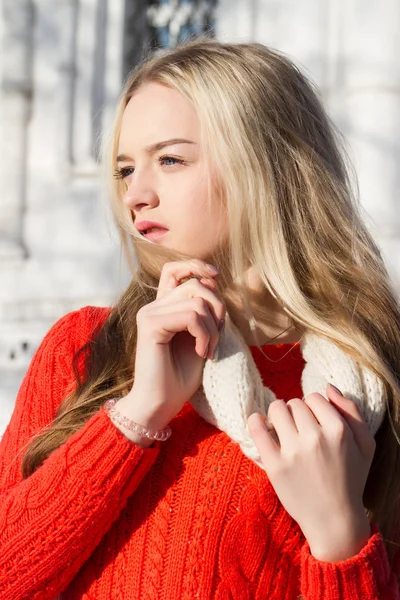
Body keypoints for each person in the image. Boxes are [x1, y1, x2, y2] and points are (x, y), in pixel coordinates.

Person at [1, 38, 400, 600]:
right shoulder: (86, 348)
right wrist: (138, 413)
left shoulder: (376, 385)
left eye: (169, 159)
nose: (136, 194)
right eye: (123, 170)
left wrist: (339, 537)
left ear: (265, 162)